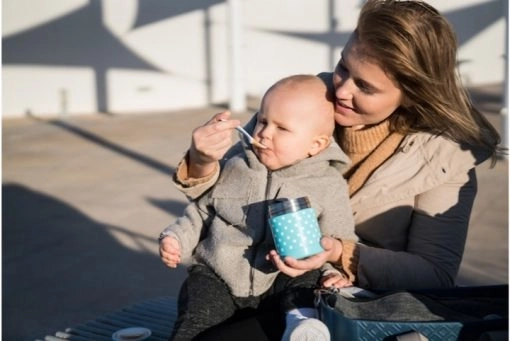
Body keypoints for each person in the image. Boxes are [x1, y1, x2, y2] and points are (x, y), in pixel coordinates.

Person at [168, 0, 502, 339]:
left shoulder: (446, 158)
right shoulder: (303, 100)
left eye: (365, 87)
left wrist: (339, 252)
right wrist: (201, 160)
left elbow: (435, 274)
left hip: (352, 298)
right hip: (251, 277)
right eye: (343, 67)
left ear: (413, 95)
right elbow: (227, 189)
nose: (341, 90)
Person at [159, 74, 357, 340]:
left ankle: (303, 325)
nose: (264, 133)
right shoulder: (236, 165)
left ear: (316, 144)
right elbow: (202, 211)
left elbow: (338, 238)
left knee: (304, 285)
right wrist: (176, 238)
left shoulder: (328, 183)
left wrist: (335, 272)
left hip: (283, 275)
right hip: (220, 274)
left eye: (282, 128)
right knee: (197, 310)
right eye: (263, 121)